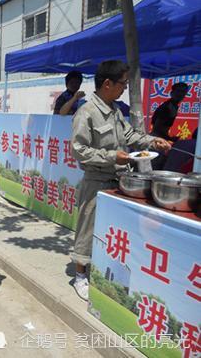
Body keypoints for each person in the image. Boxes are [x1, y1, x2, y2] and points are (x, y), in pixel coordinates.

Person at [71, 60, 171, 301]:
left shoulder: (114, 110)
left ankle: (101, 269)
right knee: (88, 227)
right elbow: (78, 149)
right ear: (107, 84)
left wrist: (151, 141)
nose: (124, 88)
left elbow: (129, 135)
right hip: (96, 179)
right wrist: (110, 156)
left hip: (118, 180)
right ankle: (80, 275)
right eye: (122, 84)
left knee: (110, 230)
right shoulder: (87, 112)